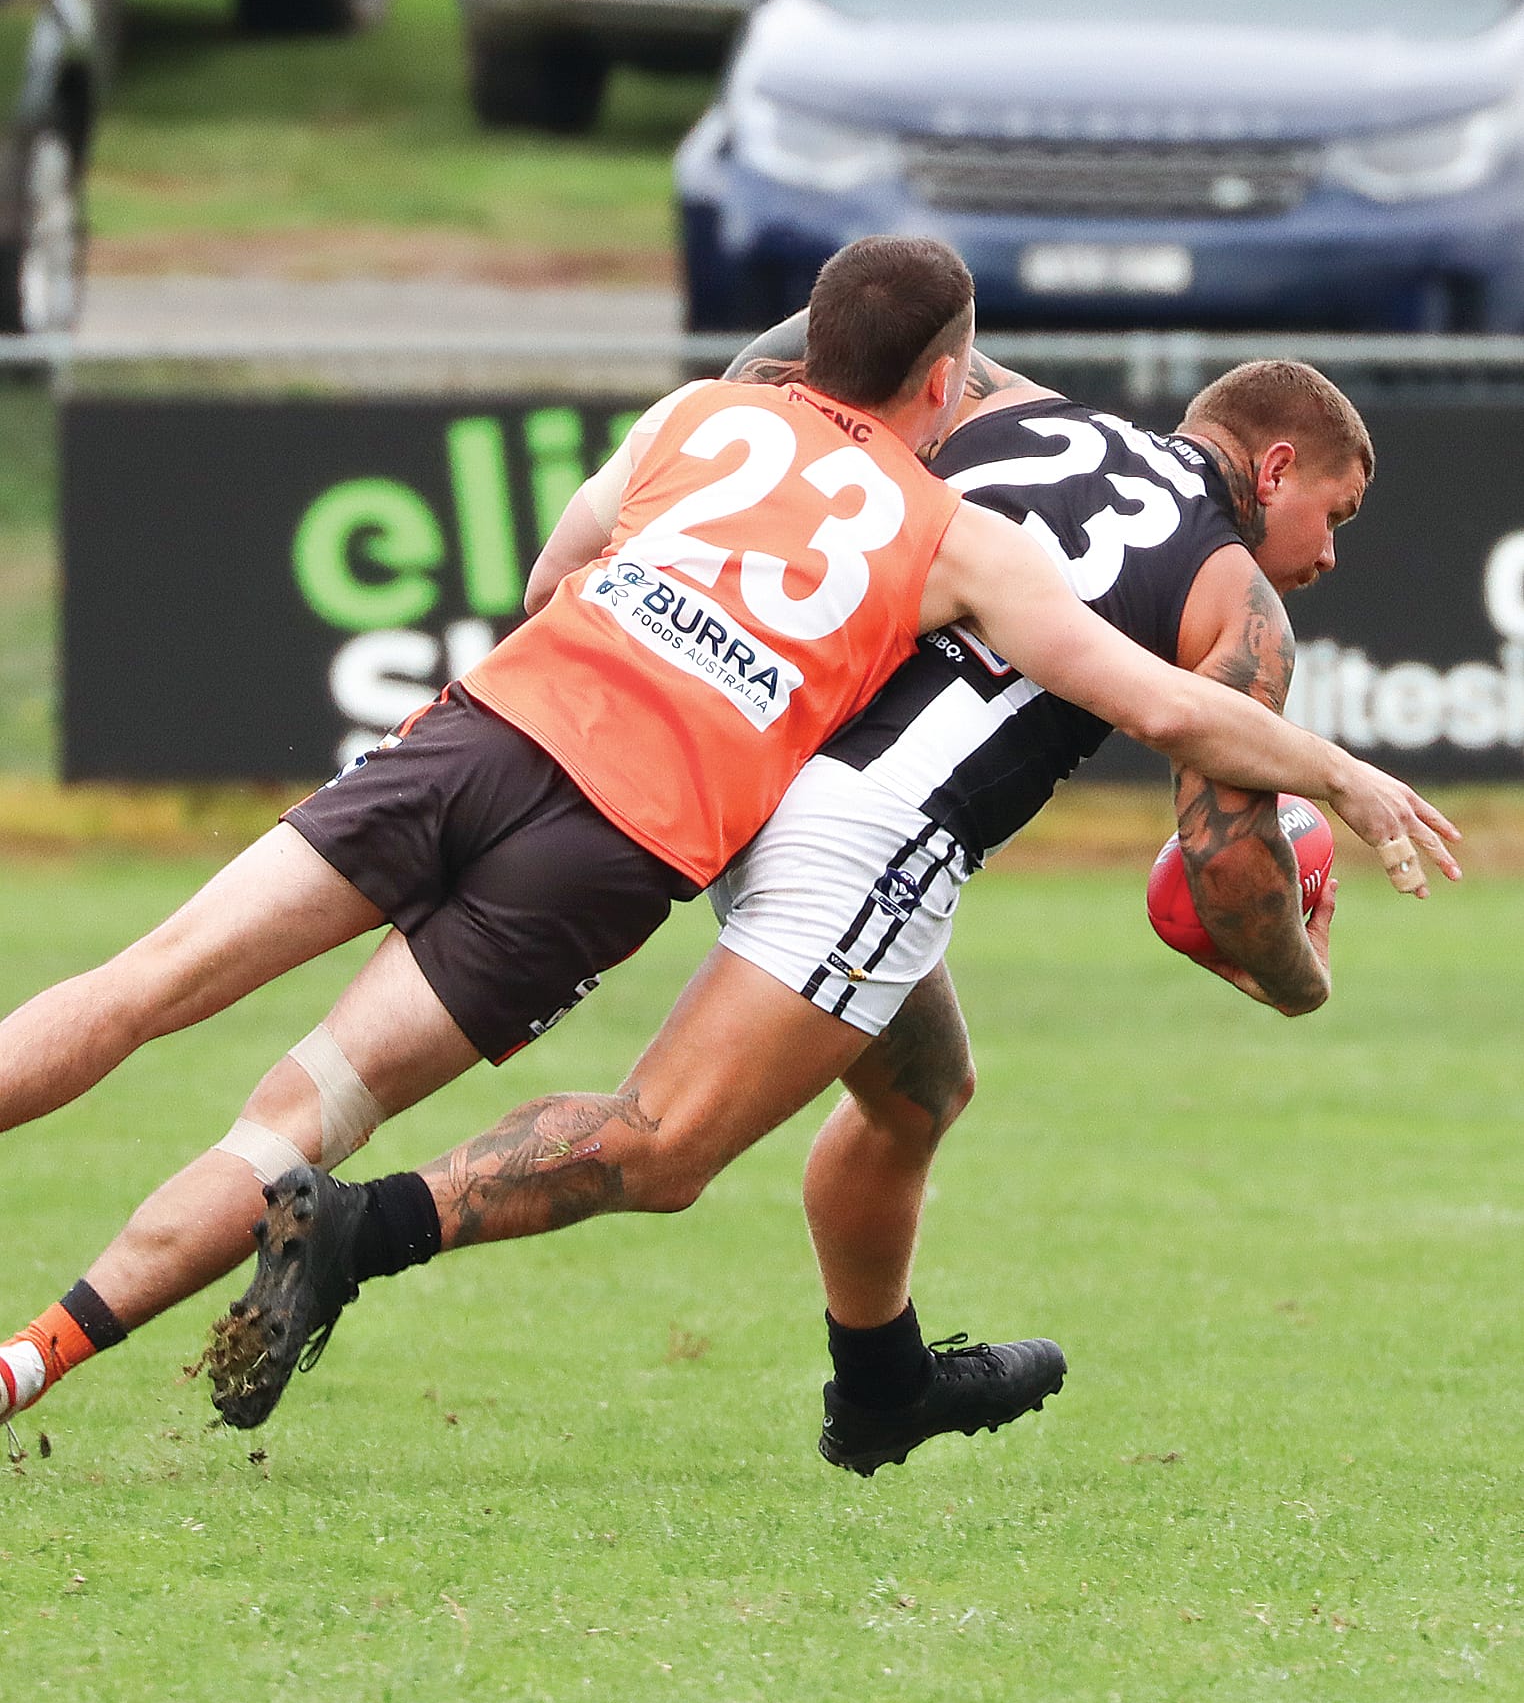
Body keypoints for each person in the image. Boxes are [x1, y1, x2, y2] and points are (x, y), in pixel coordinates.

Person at [0, 245, 1456, 1449]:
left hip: (623, 746)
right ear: (1278, 467)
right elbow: (1215, 842)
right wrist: (1318, 910)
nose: (1334, 551)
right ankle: (350, 1234)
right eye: (1340, 512)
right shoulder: (1147, 584)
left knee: (922, 1081)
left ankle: (882, 1386)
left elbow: (644, 487)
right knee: (655, 1141)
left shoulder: (944, 409)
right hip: (810, 834)